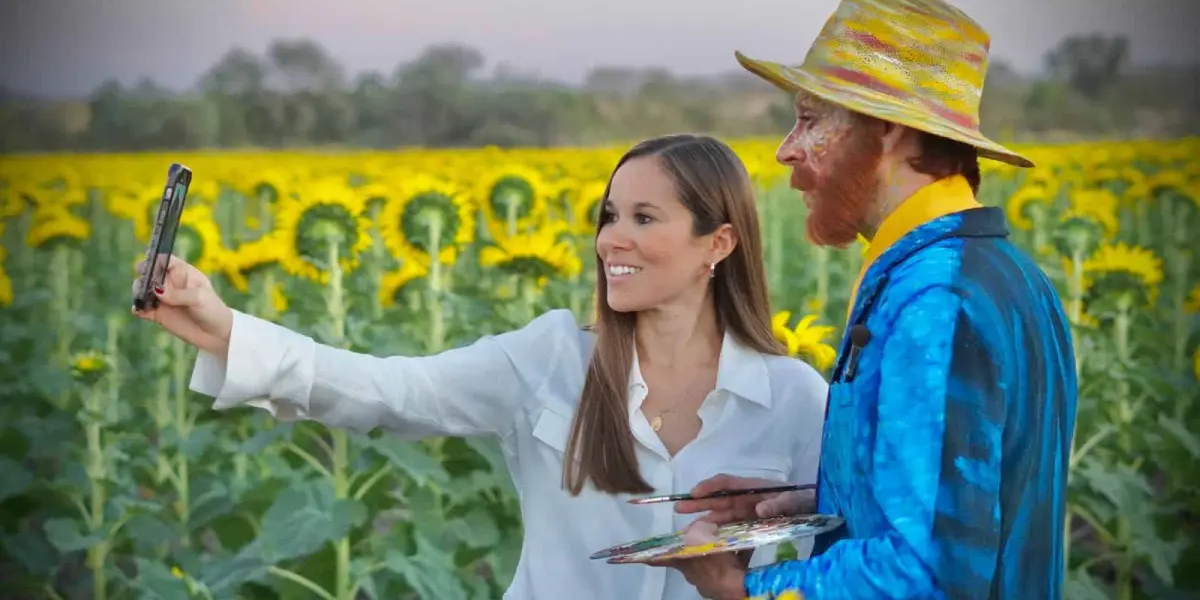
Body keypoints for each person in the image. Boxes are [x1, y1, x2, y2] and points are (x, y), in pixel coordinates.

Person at [131, 134, 830, 600]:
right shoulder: (551, 358)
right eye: (608, 215)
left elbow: (861, 565)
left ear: (720, 242)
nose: (612, 237)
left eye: (645, 218)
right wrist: (225, 330)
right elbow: (389, 391)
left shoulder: (799, 399)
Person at [651, 1, 1079, 599]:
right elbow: (971, 506)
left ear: (888, 128)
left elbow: (931, 572)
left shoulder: (938, 300)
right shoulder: (1002, 273)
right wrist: (821, 499)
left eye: (809, 120)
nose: (786, 149)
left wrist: (746, 590)